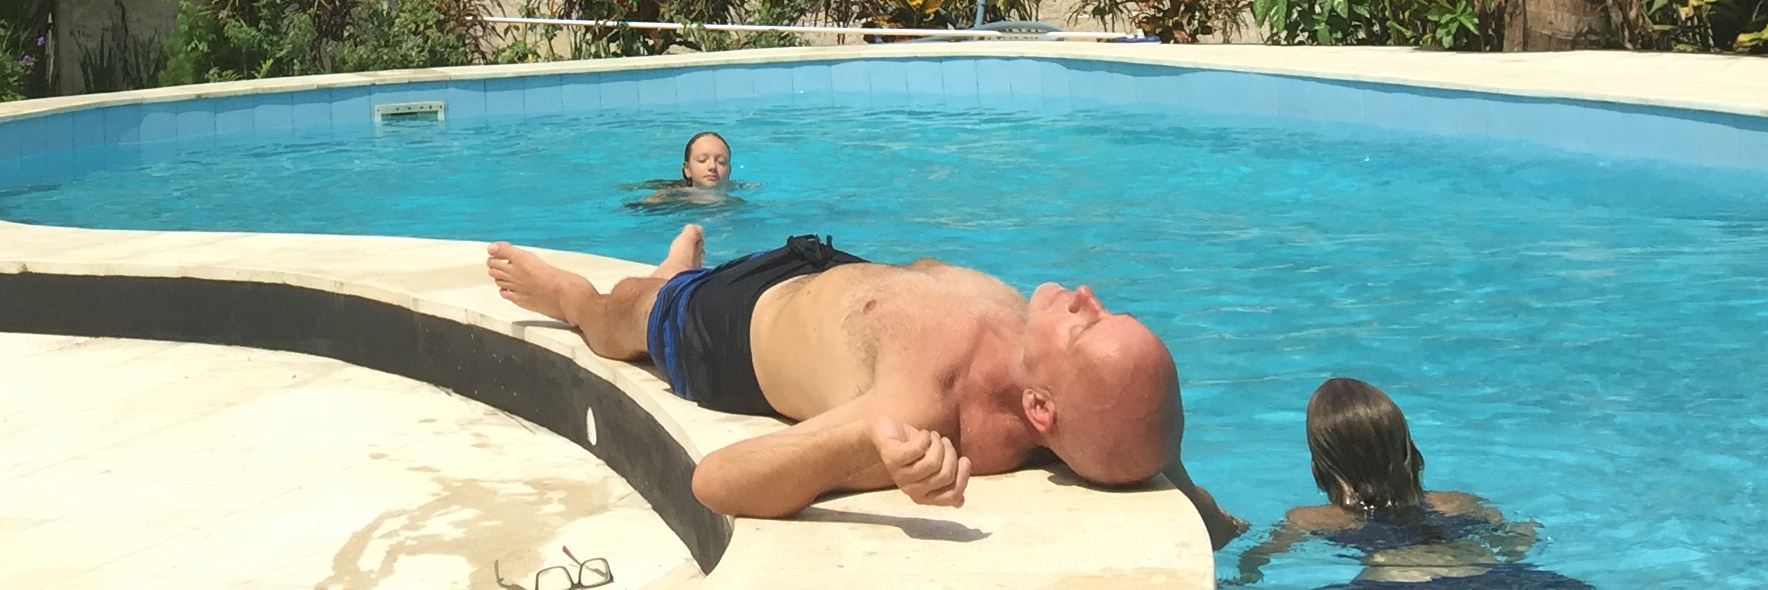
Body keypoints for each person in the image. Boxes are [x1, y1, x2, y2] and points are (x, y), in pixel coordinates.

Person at [484, 227, 1242, 544]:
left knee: (621, 313)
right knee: (670, 283)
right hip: (831, 268)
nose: (1085, 297)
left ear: (1040, 408)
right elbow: (1141, 430)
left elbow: (715, 481)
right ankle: (678, 266)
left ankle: (577, 294)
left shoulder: (922, 409)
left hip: (736, 325)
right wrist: (1208, 512)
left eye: (1086, 324)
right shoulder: (1066, 379)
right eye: (1106, 313)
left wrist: (866, 441)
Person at [1235, 378, 1546, 585]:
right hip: (1490, 576)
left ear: (1317, 471)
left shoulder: (1312, 519)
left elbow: (1256, 559)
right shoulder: (1458, 503)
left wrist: (1241, 549)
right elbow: (1515, 545)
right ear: (1413, 451)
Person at [631, 130, 734, 208]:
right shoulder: (669, 198)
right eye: (702, 160)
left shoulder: (736, 196)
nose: (712, 166)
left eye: (721, 162)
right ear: (687, 169)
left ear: (729, 170)